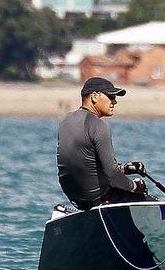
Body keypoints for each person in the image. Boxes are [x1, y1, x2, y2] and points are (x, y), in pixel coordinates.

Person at [57, 77, 149, 210]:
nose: (115, 101)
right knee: (150, 199)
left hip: (76, 200)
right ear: (94, 97)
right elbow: (112, 175)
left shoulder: (66, 121)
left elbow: (85, 163)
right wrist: (135, 186)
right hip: (100, 199)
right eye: (111, 96)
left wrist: (124, 169)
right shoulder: (98, 125)